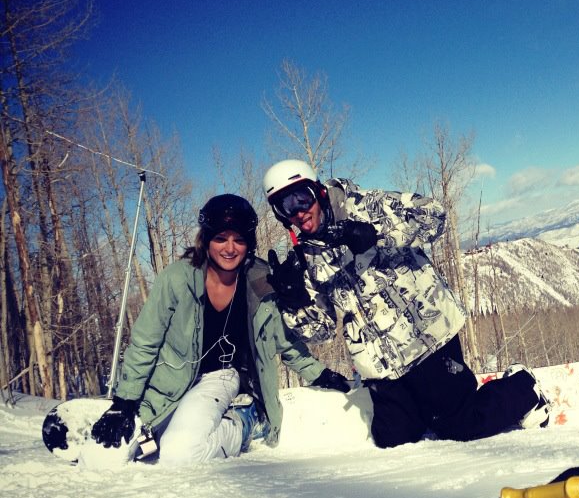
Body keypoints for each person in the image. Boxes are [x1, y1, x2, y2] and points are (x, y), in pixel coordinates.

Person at [262, 159, 549, 449]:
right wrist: (294, 301)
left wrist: (377, 234)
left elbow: (434, 216)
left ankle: (524, 388)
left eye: (302, 198)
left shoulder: (365, 205)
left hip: (427, 339)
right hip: (381, 365)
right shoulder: (306, 258)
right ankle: (428, 409)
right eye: (286, 206)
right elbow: (321, 332)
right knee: (393, 442)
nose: (299, 211)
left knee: (460, 426)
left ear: (318, 191)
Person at [90, 194, 346, 465]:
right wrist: (124, 402)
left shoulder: (260, 280)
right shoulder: (178, 278)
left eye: (239, 239)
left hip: (219, 377)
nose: (230, 248)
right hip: (169, 379)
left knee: (180, 453)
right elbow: (145, 342)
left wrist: (319, 375)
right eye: (221, 238)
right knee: (103, 458)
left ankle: (247, 422)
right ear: (206, 239)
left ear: (249, 243)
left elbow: (282, 340)